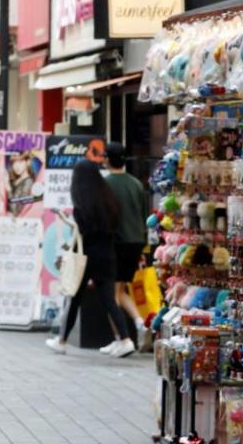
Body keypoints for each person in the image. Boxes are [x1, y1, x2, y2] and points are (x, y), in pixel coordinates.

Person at [46, 160, 135, 358]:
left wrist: (65, 220)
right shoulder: (109, 199)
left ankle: (61, 341)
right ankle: (126, 340)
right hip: (107, 256)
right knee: (110, 300)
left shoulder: (82, 204)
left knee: (74, 299)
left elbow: (83, 232)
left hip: (85, 258)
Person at [104, 143, 151, 352]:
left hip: (116, 243)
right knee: (121, 290)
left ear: (107, 159)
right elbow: (144, 217)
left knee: (111, 294)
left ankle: (121, 339)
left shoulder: (105, 184)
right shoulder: (136, 184)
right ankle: (139, 323)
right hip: (135, 242)